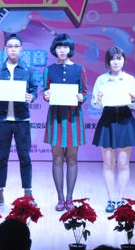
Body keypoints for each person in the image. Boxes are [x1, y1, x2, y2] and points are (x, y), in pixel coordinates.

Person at [0, 33, 39, 207]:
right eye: (10, 46)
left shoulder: (28, 69)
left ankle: (28, 193)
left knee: (25, 157)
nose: (13, 49)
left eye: (16, 46)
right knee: (1, 158)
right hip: (3, 120)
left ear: (21, 49)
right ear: (5, 49)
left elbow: (34, 89)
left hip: (22, 119)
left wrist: (32, 96)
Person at [90, 46, 135, 214]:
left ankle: (120, 199)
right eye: (113, 59)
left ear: (124, 60)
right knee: (108, 164)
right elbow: (95, 104)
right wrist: (98, 99)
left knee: (124, 164)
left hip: (125, 120)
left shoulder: (130, 80)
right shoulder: (102, 80)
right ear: (108, 61)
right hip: (108, 121)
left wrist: (133, 99)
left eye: (119, 58)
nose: (116, 62)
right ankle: (111, 199)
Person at [42, 33, 88, 211]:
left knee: (72, 158)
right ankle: (60, 198)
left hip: (73, 117)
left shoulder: (79, 69)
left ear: (70, 49)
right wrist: (46, 95)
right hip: (55, 118)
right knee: (57, 158)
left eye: (65, 47)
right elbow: (46, 91)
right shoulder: (49, 70)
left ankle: (70, 198)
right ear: (55, 49)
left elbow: (84, 92)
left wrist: (81, 97)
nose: (62, 50)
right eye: (59, 47)